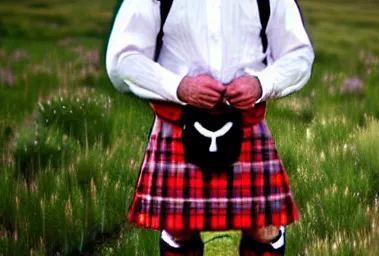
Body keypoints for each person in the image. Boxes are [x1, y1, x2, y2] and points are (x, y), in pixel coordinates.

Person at [105, 0, 314, 255]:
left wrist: (262, 83)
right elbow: (123, 59)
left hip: (246, 122)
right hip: (178, 123)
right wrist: (179, 86)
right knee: (178, 228)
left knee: (264, 227)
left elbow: (299, 55)